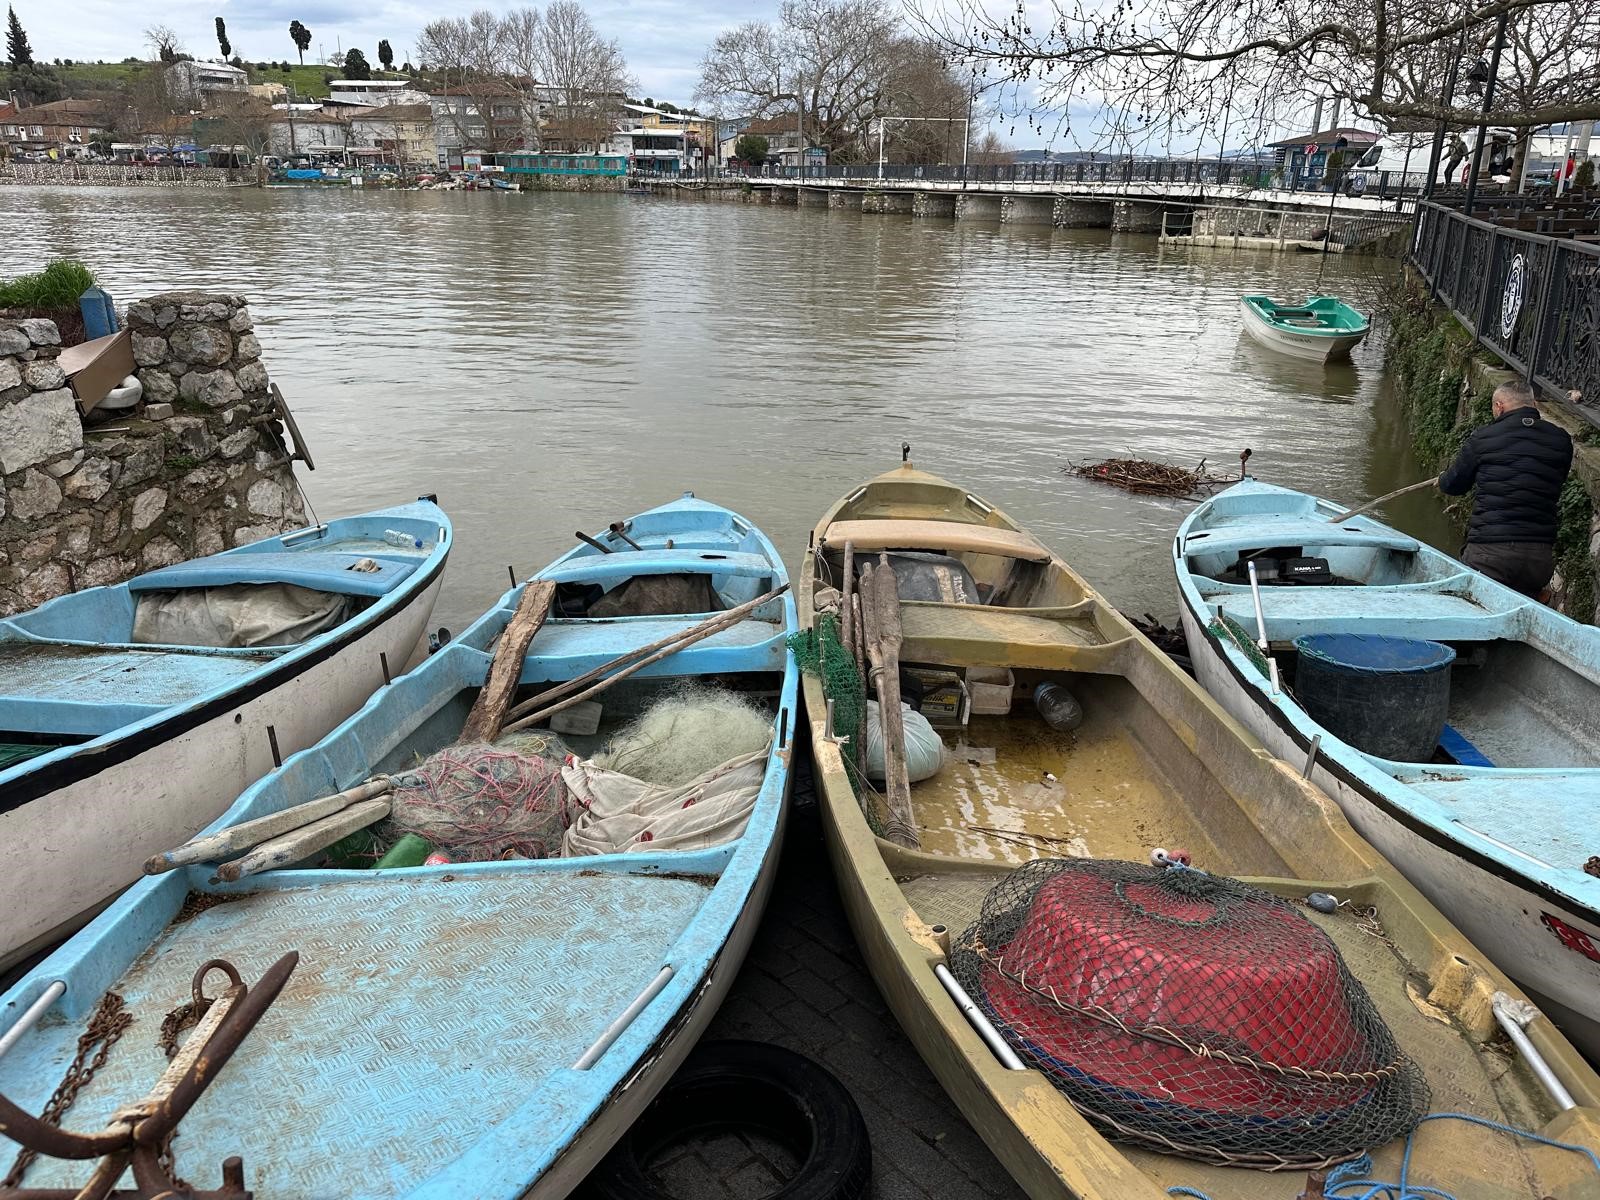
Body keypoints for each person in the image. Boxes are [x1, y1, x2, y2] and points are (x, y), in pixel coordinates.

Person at [1438, 379, 1573, 597]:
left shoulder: (1483, 438)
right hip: (1538, 557)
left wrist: (1442, 479)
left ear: (1499, 406)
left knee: (1471, 608)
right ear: (1533, 404)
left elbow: (1454, 485)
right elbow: (1557, 480)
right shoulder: (1561, 440)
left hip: (1489, 552)